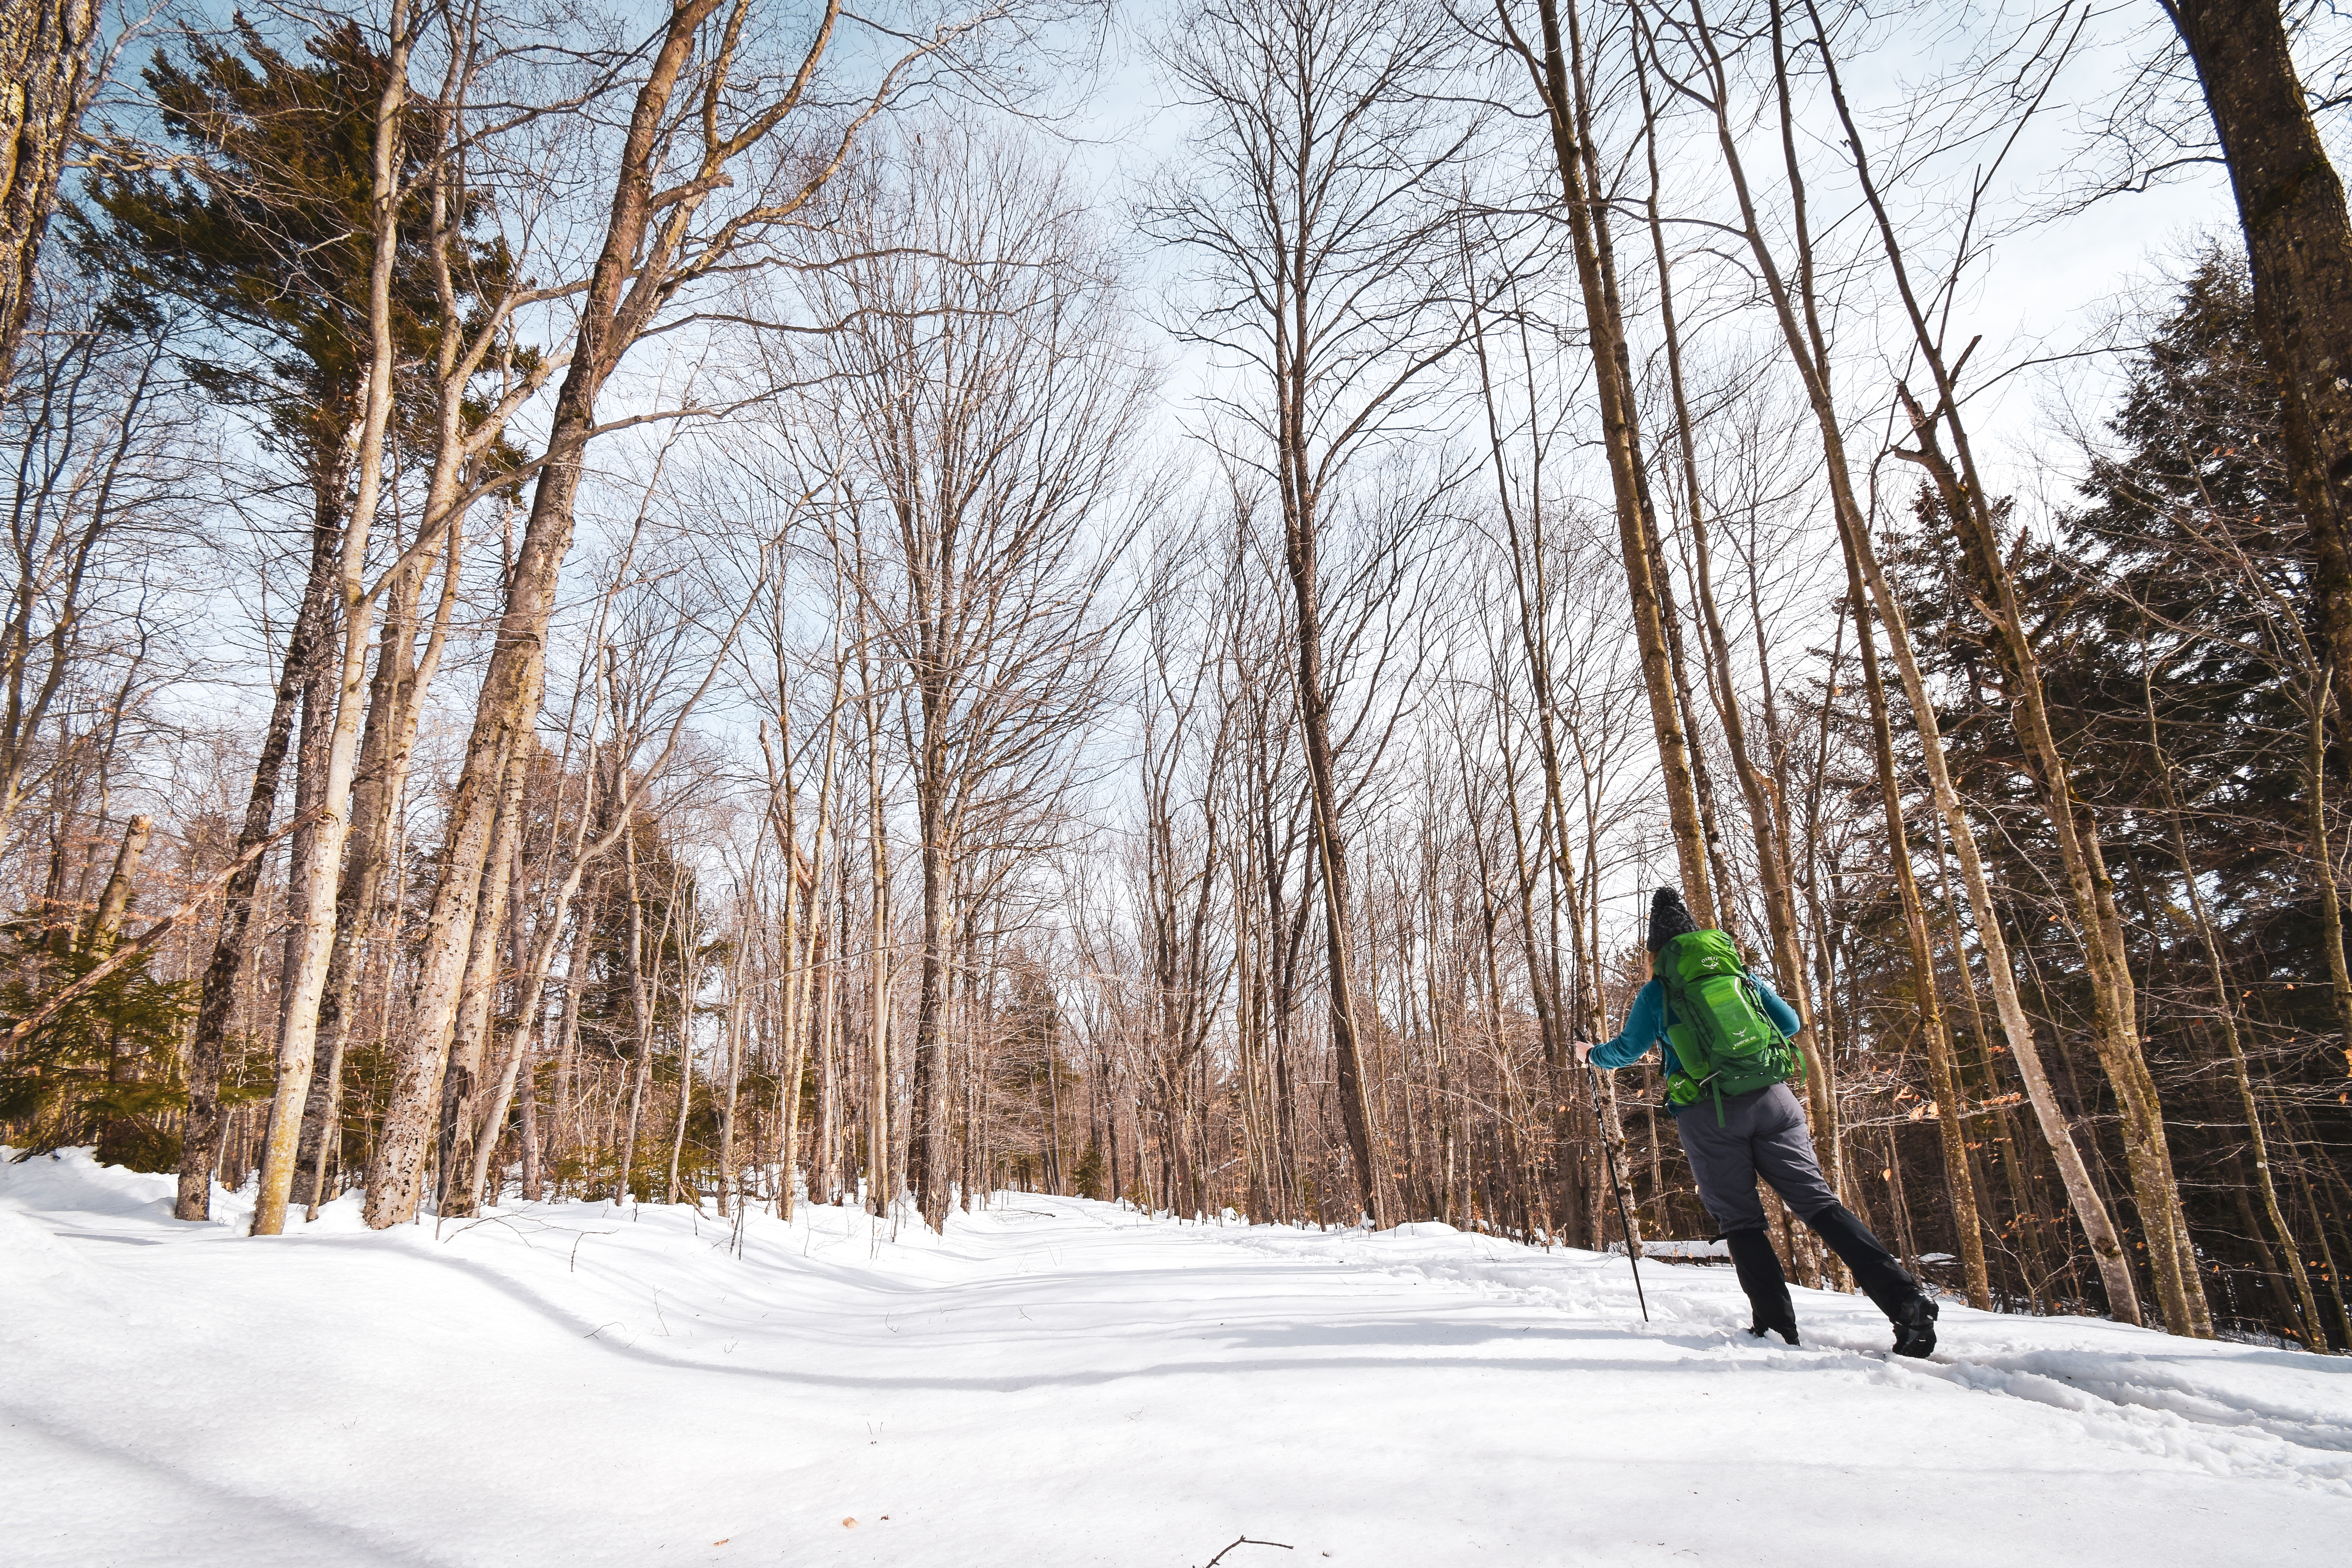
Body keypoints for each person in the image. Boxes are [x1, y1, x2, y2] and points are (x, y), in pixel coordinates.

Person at [1574, 887, 1939, 1358]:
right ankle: (1905, 1300)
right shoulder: (1741, 976)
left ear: (1656, 953)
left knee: (1742, 1222)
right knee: (1821, 1205)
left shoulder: (1658, 991)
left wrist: (1591, 1054)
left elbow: (1627, 1051)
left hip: (1710, 1115)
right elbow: (1788, 1025)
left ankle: (1775, 1329)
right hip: (1775, 1102)